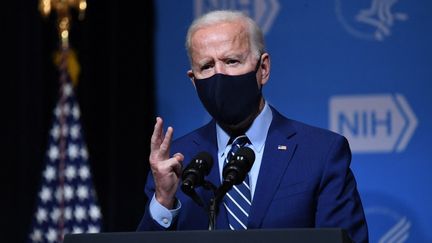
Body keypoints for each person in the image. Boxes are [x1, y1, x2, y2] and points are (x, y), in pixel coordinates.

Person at [137, 10, 368, 243]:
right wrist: (164, 201)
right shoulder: (176, 162)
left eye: (231, 61)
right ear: (194, 82)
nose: (220, 75)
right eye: (207, 66)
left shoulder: (320, 152)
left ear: (263, 69)